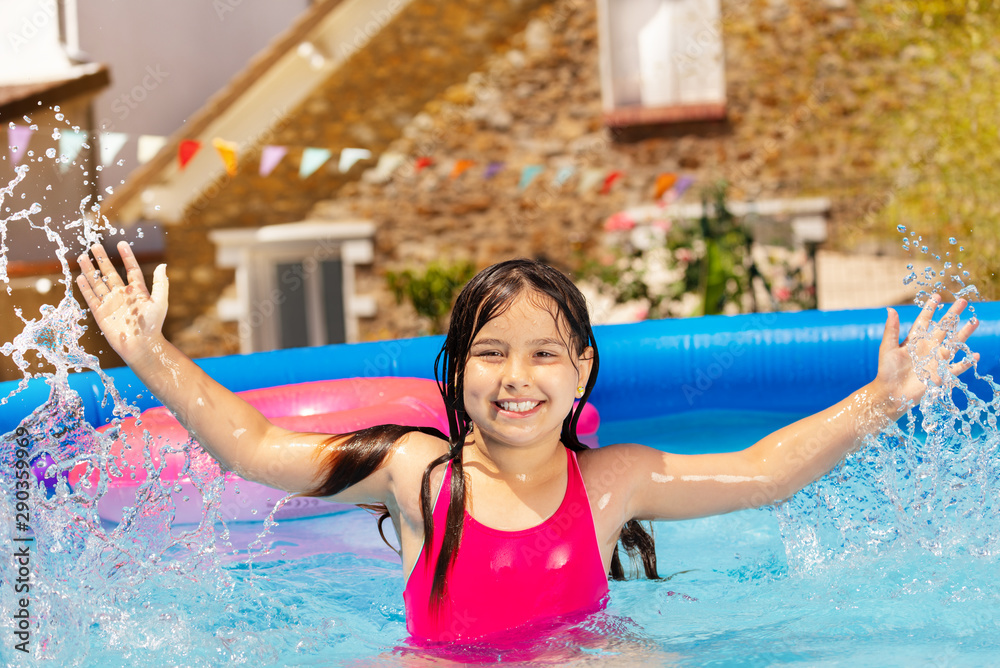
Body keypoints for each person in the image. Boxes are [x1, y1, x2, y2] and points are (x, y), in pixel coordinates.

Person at [77, 240, 979, 644]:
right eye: (492, 352)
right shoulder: (415, 473)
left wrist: (883, 399)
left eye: (545, 354)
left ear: (582, 372)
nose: (517, 377)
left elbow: (764, 471)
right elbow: (253, 446)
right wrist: (147, 350)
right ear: (457, 372)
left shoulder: (612, 484)